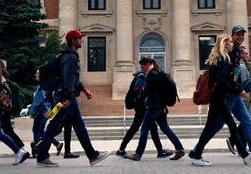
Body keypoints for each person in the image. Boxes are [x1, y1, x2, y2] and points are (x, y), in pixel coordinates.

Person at [36, 30, 110, 167]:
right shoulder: (70, 57)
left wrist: (84, 89)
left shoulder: (69, 56)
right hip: (66, 96)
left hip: (62, 95)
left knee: (53, 126)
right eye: (79, 39)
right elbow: (68, 79)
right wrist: (70, 97)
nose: (82, 41)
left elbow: (73, 79)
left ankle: (41, 155)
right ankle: (92, 155)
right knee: (79, 125)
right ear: (73, 41)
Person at [202, 25, 251, 164]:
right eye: (238, 35)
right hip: (228, 95)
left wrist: (238, 89)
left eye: (242, 34)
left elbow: (233, 76)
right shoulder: (230, 53)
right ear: (232, 36)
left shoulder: (234, 52)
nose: (241, 37)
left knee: (246, 121)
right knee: (217, 125)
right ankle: (197, 150)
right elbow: (228, 77)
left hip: (233, 94)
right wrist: (238, 89)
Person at [189, 34, 251, 166]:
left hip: (218, 98)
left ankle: (196, 154)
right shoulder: (222, 60)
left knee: (213, 127)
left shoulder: (221, 58)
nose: (232, 44)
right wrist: (231, 89)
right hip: (219, 98)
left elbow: (217, 80)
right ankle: (244, 155)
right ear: (224, 44)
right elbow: (221, 80)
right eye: (230, 42)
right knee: (228, 125)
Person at [124, 57, 185, 161]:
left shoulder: (152, 75)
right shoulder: (157, 73)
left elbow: (147, 90)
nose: (141, 68)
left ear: (148, 64)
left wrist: (142, 91)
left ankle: (138, 154)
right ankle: (180, 149)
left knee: (144, 129)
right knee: (165, 128)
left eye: (142, 66)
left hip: (153, 107)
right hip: (159, 106)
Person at [116, 60, 173, 158]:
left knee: (147, 127)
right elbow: (137, 91)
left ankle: (159, 151)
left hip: (141, 106)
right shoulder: (142, 76)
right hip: (142, 106)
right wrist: (144, 99)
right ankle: (123, 149)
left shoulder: (143, 75)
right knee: (138, 127)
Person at [28, 69, 63, 157]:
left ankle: (37, 151)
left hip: (41, 111)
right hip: (45, 111)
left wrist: (32, 112)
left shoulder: (42, 86)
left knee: (36, 130)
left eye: (37, 73)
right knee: (43, 132)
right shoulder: (46, 85)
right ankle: (57, 144)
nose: (35, 74)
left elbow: (39, 101)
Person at [226, 44, 251, 151]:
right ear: (240, 55)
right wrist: (245, 94)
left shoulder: (239, 66)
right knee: (247, 121)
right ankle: (234, 140)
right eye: (245, 53)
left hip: (237, 95)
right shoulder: (242, 67)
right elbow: (244, 82)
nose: (248, 55)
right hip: (241, 96)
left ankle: (242, 147)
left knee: (245, 121)